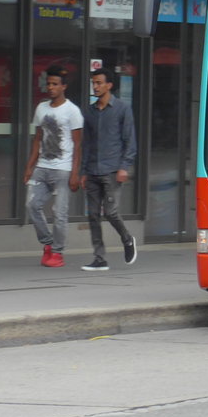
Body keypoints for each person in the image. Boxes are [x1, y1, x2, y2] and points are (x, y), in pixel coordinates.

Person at [79, 68, 138, 271]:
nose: (95, 87)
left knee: (111, 212)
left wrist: (124, 166)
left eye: (99, 83)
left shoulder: (122, 109)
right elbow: (86, 144)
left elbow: (130, 141)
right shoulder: (89, 112)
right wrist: (83, 172)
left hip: (113, 169)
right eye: (93, 83)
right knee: (93, 214)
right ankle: (99, 257)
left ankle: (127, 238)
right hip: (93, 169)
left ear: (109, 85)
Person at [25, 65, 84, 268]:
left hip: (63, 169)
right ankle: (48, 244)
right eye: (48, 84)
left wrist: (75, 173)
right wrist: (29, 166)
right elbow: (37, 140)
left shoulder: (72, 111)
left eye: (55, 84)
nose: (50, 88)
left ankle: (58, 253)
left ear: (63, 87)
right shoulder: (41, 108)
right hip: (42, 166)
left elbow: (78, 145)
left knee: (60, 213)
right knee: (32, 205)